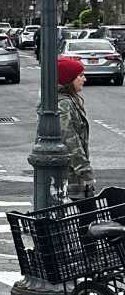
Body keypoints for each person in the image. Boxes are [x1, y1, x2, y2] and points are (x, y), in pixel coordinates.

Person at [57, 56, 94, 200]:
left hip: (72, 177)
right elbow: (70, 139)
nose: (84, 79)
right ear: (68, 79)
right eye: (80, 75)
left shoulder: (68, 100)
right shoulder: (64, 104)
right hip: (70, 178)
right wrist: (85, 171)